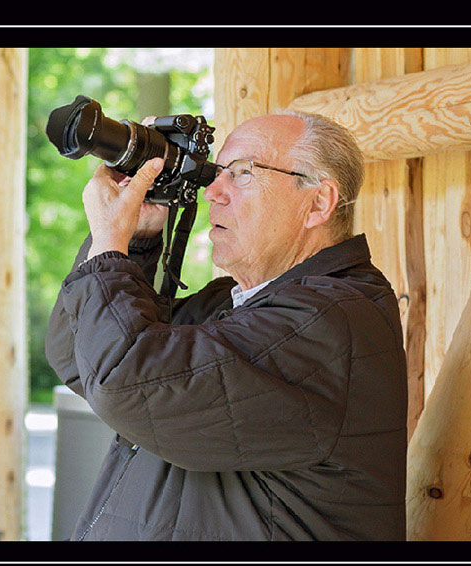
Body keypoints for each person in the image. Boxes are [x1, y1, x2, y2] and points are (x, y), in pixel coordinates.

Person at [45, 110, 408, 541]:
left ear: (318, 202)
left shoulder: (332, 320)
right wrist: (138, 241)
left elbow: (123, 381)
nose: (213, 191)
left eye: (242, 173)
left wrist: (110, 244)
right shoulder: (232, 303)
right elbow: (77, 356)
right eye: (218, 172)